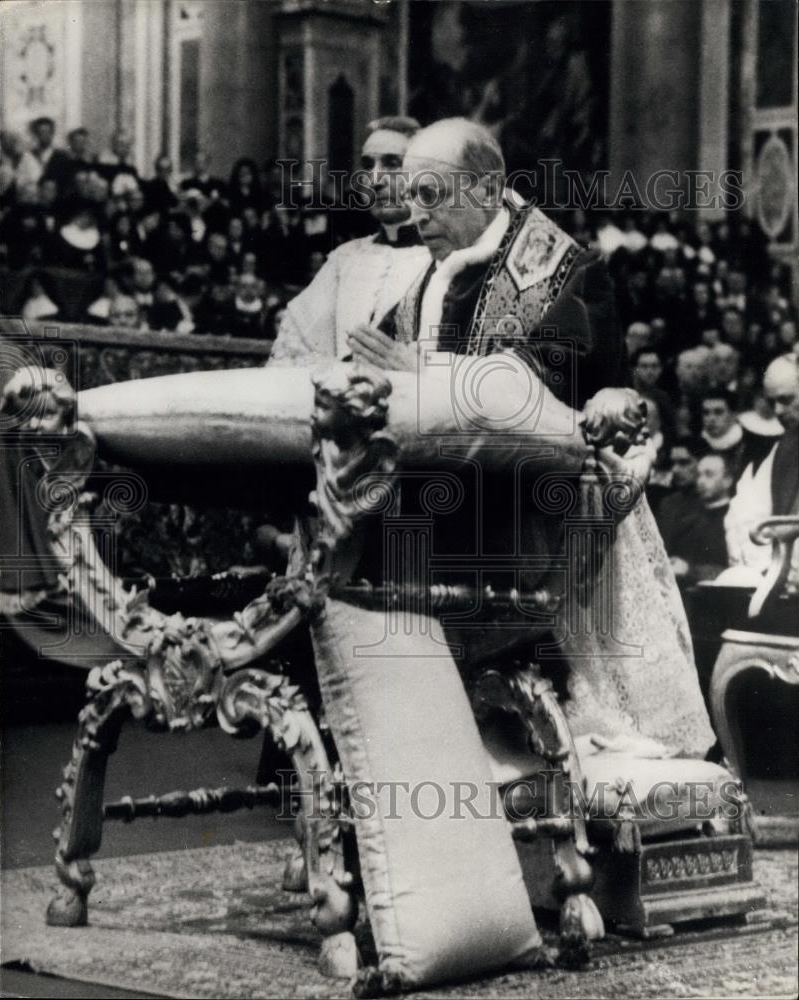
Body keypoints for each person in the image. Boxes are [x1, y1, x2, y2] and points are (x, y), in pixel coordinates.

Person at [347, 117, 713, 757]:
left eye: (431, 194)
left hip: (536, 525)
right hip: (438, 515)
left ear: (487, 189)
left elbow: (540, 385)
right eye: (411, 197)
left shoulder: (565, 271)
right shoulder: (429, 279)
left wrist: (423, 374)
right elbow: (375, 364)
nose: (416, 214)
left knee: (553, 741)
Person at [269, 116, 430, 364]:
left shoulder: (448, 260)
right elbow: (295, 348)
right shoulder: (345, 259)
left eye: (391, 163)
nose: (375, 179)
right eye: (368, 166)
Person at [723, 354, 799, 584]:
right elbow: (745, 513)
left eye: (786, 400)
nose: (777, 410)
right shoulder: (784, 449)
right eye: (772, 401)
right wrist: (768, 569)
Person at [662, 451, 733, 586]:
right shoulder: (689, 518)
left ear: (727, 480)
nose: (700, 481)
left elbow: (735, 571)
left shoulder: (734, 518)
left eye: (709, 475)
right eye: (699, 475)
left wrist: (689, 570)